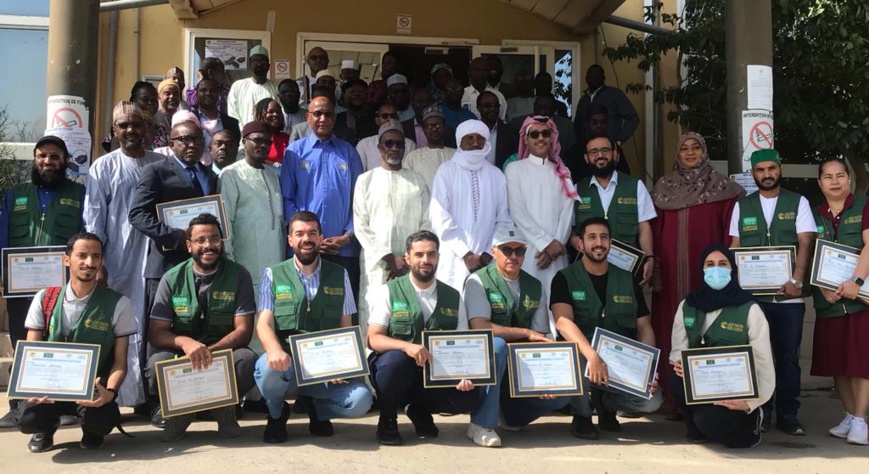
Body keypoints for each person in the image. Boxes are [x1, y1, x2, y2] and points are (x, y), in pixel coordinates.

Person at [253, 211, 371, 443]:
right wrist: (274, 350)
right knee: (267, 370)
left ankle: (319, 410)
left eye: (312, 233)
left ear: (320, 237)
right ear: (290, 240)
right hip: (287, 364)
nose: (306, 239)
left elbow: (345, 327)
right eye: (299, 234)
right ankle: (276, 414)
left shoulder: (339, 274)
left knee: (361, 400)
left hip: (324, 366)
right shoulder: (273, 274)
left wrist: (342, 365)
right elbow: (264, 323)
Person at [129, 121, 219, 422]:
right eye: (184, 139)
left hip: (202, 268)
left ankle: (198, 398)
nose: (191, 144)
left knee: (196, 329)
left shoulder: (209, 174)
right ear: (172, 141)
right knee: (161, 335)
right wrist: (175, 236)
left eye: (197, 139)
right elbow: (137, 214)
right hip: (165, 267)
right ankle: (156, 402)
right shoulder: (156, 170)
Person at [14, 233, 136, 452]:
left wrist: (110, 392)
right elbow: (31, 354)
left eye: (96, 256)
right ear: (67, 259)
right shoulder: (45, 298)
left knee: (103, 419)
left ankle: (91, 431)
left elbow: (120, 362)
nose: (89, 262)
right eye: (82, 255)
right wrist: (31, 389)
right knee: (27, 416)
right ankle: (46, 427)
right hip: (50, 390)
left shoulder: (119, 304)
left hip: (92, 389)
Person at [650, 133, 743, 413]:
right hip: (670, 274)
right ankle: (673, 398)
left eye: (696, 148)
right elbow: (655, 232)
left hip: (707, 276)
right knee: (670, 329)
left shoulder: (724, 188)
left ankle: (708, 397)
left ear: (704, 152)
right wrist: (654, 266)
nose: (690, 153)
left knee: (707, 328)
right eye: (685, 149)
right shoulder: (664, 187)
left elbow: (732, 234)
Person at [145, 213, 257, 441]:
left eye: (215, 239)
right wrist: (186, 344)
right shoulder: (171, 278)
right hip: (183, 356)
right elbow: (156, 334)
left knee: (247, 361)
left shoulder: (239, 275)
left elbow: (243, 332)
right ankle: (183, 412)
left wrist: (209, 352)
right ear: (189, 245)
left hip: (222, 354)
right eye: (201, 240)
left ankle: (224, 412)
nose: (209, 246)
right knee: (156, 364)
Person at [728, 149, 816, 435]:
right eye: (760, 170)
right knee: (756, 355)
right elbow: (735, 246)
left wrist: (797, 281)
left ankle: (789, 413)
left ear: (780, 168)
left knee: (788, 358)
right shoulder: (743, 206)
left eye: (771, 168)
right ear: (753, 174)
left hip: (789, 298)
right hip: (754, 300)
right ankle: (761, 411)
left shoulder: (798, 201)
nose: (767, 174)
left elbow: (805, 242)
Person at [0, 135, 85, 428]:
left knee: (59, 341)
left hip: (60, 288)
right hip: (19, 287)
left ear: (64, 160)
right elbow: (3, 234)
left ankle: (63, 406)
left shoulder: (78, 194)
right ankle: (19, 406)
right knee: (23, 342)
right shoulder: (15, 194)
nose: (48, 161)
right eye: (42, 156)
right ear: (35, 159)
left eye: (54, 156)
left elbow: (84, 236)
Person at [84, 102, 164, 409]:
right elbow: (93, 219)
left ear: (146, 130)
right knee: (122, 325)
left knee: (152, 322)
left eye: (136, 125)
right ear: (114, 131)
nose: (131, 130)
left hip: (155, 257)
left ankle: (151, 395)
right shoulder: (102, 167)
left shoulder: (159, 163)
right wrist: (99, 262)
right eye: (123, 125)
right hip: (118, 259)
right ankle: (121, 394)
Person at [551, 218, 662, 439]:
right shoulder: (564, 278)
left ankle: (606, 405)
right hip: (583, 357)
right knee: (575, 352)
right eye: (591, 237)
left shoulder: (627, 279)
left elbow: (644, 326)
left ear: (610, 242)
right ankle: (582, 415)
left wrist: (648, 367)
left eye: (603, 237)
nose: (598, 243)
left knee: (651, 402)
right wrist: (592, 355)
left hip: (618, 360)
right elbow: (563, 322)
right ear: (581, 244)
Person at [367, 231, 475, 445]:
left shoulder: (453, 297)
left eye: (431, 254)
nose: (426, 260)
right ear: (408, 258)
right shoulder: (389, 291)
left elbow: (464, 343)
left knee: (470, 395)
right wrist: (407, 347)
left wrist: (466, 373)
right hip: (398, 370)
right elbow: (373, 338)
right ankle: (387, 418)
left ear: (438, 257)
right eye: (419, 254)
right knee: (393, 364)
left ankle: (418, 409)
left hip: (436, 372)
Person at [463, 226, 563, 446]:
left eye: (519, 251)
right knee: (496, 346)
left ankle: (511, 416)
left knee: (563, 393)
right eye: (506, 250)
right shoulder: (477, 281)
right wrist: (525, 332)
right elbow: (481, 327)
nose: (513, 256)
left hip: (521, 364)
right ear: (494, 251)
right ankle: (481, 424)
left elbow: (541, 337)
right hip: (487, 360)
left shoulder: (535, 286)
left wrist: (547, 379)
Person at [669, 244, 774, 448]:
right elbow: (677, 350)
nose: (716, 269)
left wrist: (751, 403)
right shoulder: (688, 305)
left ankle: (751, 426)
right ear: (702, 269)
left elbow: (763, 363)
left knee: (709, 420)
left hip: (734, 390)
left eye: (722, 264)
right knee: (675, 377)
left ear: (732, 269)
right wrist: (680, 363)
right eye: (710, 264)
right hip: (701, 385)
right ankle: (697, 430)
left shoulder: (750, 309)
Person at [280, 96, 364, 306]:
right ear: (307, 117)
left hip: (343, 249)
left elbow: (360, 201)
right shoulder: (294, 152)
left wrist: (347, 236)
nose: (322, 118)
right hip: (305, 248)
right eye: (317, 113)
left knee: (342, 309)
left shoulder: (348, 152)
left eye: (328, 113)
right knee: (304, 307)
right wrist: (309, 236)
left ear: (335, 118)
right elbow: (287, 198)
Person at [811, 158, 869, 446]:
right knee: (837, 363)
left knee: (860, 363)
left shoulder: (863, 206)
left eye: (840, 176)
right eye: (828, 177)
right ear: (820, 182)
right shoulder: (814, 214)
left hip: (860, 301)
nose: (835, 182)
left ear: (849, 179)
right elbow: (809, 256)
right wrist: (822, 288)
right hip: (829, 302)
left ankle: (860, 419)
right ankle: (848, 414)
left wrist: (856, 282)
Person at [354, 122, 431, 335]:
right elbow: (361, 225)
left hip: (410, 264)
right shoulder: (365, 181)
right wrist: (389, 258)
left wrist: (407, 259)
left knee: (408, 313)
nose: (395, 148)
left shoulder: (417, 181)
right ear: (379, 147)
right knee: (372, 311)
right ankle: (371, 364)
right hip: (377, 264)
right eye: (389, 143)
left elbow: (426, 223)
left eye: (399, 144)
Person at [505, 116, 576, 335]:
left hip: (557, 253)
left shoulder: (562, 171)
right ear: (525, 139)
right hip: (529, 252)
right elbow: (517, 211)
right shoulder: (514, 169)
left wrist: (556, 244)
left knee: (558, 306)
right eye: (534, 134)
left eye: (545, 133)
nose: (541, 138)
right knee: (529, 305)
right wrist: (545, 244)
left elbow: (568, 212)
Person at [429, 120, 512, 292]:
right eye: (469, 138)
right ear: (460, 142)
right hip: (454, 258)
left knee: (485, 310)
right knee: (453, 308)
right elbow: (439, 216)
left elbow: (504, 219)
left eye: (480, 138)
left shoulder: (496, 175)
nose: (475, 143)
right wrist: (466, 254)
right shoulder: (447, 171)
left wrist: (489, 253)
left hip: (488, 259)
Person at [573, 135, 656, 286]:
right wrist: (586, 250)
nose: (600, 155)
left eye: (605, 150)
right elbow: (571, 232)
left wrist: (649, 258)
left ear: (615, 154)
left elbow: (643, 227)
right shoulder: (577, 189)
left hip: (627, 271)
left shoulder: (635, 186)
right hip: (588, 271)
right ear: (586, 158)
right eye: (594, 152)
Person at [218, 121, 284, 300]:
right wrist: (229, 261)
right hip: (245, 263)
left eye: (267, 142)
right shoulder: (231, 174)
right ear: (244, 142)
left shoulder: (273, 175)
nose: (263, 145)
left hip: (275, 261)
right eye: (257, 140)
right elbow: (225, 222)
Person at [574, 65, 639, 150]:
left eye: (596, 76)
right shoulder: (583, 100)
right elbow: (577, 126)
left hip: (608, 149)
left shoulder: (614, 95)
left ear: (603, 78)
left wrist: (618, 140)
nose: (593, 78)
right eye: (590, 76)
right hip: (585, 150)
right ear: (586, 78)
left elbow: (633, 118)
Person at [404, 105, 456, 190]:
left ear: (445, 128)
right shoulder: (413, 157)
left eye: (438, 125)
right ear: (424, 130)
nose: (434, 129)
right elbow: (406, 186)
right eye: (430, 126)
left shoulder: (456, 155)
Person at [227, 45, 279, 129]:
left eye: (263, 61)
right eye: (255, 60)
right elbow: (232, 114)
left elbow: (278, 114)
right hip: (244, 137)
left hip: (269, 136)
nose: (259, 64)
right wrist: (244, 131)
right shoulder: (238, 86)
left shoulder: (276, 88)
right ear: (250, 64)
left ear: (268, 66)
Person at [192, 78, 240, 166]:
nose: (208, 93)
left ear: (218, 94)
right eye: (203, 90)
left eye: (212, 90)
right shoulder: (190, 120)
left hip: (225, 171)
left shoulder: (232, 123)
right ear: (196, 94)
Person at [356, 103, 417, 171]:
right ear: (377, 120)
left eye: (393, 116)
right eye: (385, 116)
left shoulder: (410, 144)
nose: (389, 119)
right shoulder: (364, 144)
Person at [462, 57, 508, 122]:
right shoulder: (462, 94)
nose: (480, 73)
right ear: (469, 72)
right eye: (477, 70)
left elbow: (502, 120)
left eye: (484, 70)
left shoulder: (498, 95)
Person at [334, 79, 377, 146]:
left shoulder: (376, 118)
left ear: (367, 95)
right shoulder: (336, 120)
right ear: (343, 96)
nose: (356, 94)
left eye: (361, 91)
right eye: (352, 91)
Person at [476, 91, 512, 167]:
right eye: (488, 106)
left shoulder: (510, 132)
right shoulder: (471, 131)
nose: (493, 109)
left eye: (496, 106)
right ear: (478, 108)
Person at [252, 98, 289, 169]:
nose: (275, 114)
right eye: (270, 112)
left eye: (278, 112)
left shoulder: (287, 138)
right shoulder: (254, 139)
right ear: (260, 114)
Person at [155, 79, 182, 145]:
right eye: (167, 93)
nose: (172, 97)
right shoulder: (154, 118)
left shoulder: (183, 119)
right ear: (159, 97)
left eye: (175, 94)